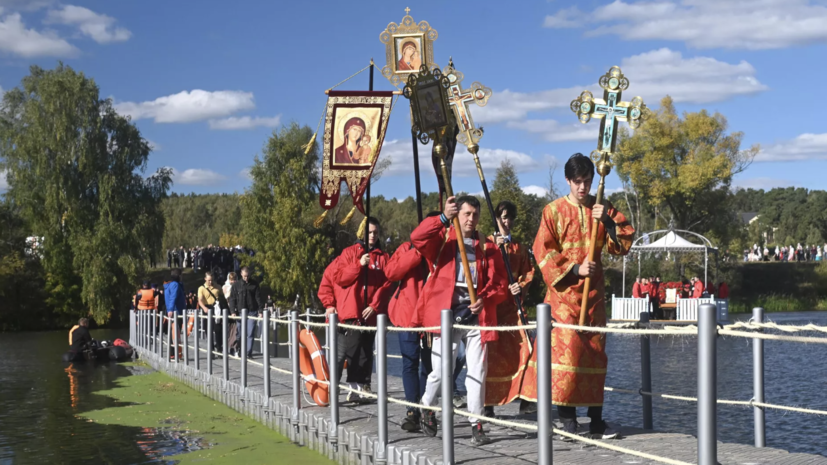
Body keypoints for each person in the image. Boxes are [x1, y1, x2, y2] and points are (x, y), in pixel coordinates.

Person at [525, 153, 634, 440]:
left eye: (587, 181)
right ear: (568, 181)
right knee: (568, 358)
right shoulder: (553, 210)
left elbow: (622, 244)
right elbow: (543, 251)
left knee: (595, 355)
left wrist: (608, 223)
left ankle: (596, 420)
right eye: (577, 182)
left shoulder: (602, 207)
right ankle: (568, 420)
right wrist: (574, 268)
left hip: (594, 296)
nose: (583, 188)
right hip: (563, 297)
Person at [413, 195, 508, 446]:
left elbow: (500, 283)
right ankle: (427, 406)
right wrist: (443, 218)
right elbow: (417, 238)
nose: (470, 219)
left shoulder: (487, 246)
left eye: (475, 215)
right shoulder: (444, 241)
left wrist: (484, 298)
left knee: (477, 371)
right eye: (466, 214)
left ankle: (476, 423)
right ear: (458, 214)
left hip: (477, 316)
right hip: (445, 314)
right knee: (443, 370)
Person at [383, 213, 441, 431]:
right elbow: (391, 272)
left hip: (430, 318)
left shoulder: (441, 252)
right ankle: (411, 410)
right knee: (409, 362)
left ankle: (427, 410)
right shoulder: (407, 248)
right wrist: (417, 253)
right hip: (406, 316)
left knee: (430, 365)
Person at [330, 217, 391, 402]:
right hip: (353, 311)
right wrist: (358, 265)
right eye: (369, 232)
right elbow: (340, 278)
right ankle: (353, 387)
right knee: (353, 350)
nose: (373, 236)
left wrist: (375, 305)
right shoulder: (349, 253)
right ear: (363, 233)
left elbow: (387, 283)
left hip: (371, 313)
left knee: (367, 350)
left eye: (376, 232)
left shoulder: (383, 257)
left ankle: (364, 385)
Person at [484, 200, 535, 417]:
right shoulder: (485, 245)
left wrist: (520, 285)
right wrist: (493, 247)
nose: (507, 222)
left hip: (514, 308)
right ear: (496, 219)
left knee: (526, 350)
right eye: (503, 217)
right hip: (493, 308)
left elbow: (528, 272)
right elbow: (480, 271)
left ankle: (525, 398)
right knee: (490, 357)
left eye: (509, 218)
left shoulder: (519, 248)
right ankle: (487, 404)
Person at [229, 267, 263, 358]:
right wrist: (232, 311)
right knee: (239, 334)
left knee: (250, 333)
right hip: (240, 312)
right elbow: (232, 299)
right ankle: (240, 349)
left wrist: (260, 311)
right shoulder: (236, 286)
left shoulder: (254, 284)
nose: (246, 278)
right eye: (244, 276)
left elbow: (258, 298)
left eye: (247, 276)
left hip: (252, 311)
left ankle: (248, 353)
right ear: (241, 274)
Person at [198, 272, 222, 353]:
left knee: (218, 329)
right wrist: (204, 308)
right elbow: (200, 300)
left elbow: (222, 298)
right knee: (208, 329)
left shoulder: (218, 287)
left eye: (212, 280)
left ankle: (219, 348)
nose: (210, 282)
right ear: (205, 279)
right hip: (207, 308)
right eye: (208, 280)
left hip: (216, 308)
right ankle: (211, 349)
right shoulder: (201, 288)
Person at [164, 269, 186, 359]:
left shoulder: (169, 285)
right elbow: (173, 297)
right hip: (176, 312)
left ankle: (173, 353)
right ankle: (175, 353)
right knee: (175, 333)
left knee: (172, 332)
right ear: (178, 276)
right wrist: (170, 309)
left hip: (173, 311)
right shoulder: (175, 285)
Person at [223, 272, 240, 355]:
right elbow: (224, 299)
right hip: (228, 311)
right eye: (231, 280)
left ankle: (235, 347)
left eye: (234, 280)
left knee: (236, 330)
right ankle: (228, 347)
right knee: (228, 330)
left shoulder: (239, 287)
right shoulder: (225, 287)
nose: (233, 281)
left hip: (236, 310)